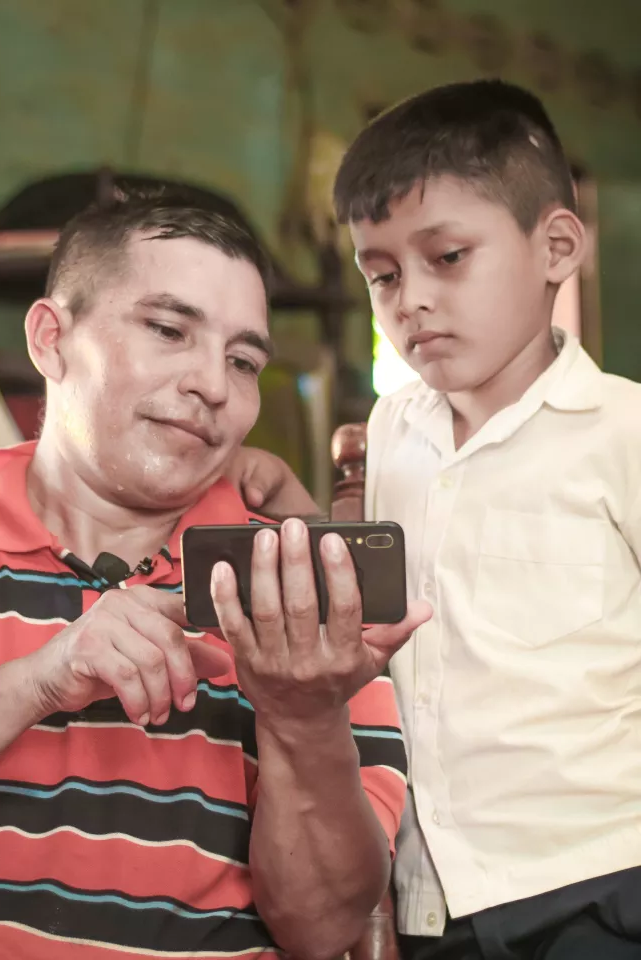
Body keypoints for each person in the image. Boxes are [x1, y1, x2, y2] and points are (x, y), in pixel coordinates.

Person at [0, 190, 431, 960]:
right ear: (51, 340)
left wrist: (303, 717)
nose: (213, 385)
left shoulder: (306, 596)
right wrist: (42, 677)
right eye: (169, 330)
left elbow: (324, 929)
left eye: (243, 361)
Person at [236, 80, 641, 959]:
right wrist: (293, 512)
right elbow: (389, 589)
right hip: (426, 890)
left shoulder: (623, 432)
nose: (408, 299)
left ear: (557, 247)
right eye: (381, 274)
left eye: (447, 257)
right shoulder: (395, 428)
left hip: (597, 880)